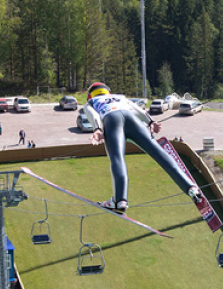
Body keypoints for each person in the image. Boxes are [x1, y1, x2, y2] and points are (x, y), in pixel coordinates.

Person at [84, 82, 202, 212]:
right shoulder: (120, 97)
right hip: (133, 119)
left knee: (117, 159)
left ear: (90, 95)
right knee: (158, 152)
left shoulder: (91, 102)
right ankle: (191, 187)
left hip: (111, 120)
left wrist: (97, 129)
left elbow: (94, 115)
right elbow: (137, 109)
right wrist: (151, 121)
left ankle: (120, 201)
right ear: (108, 92)